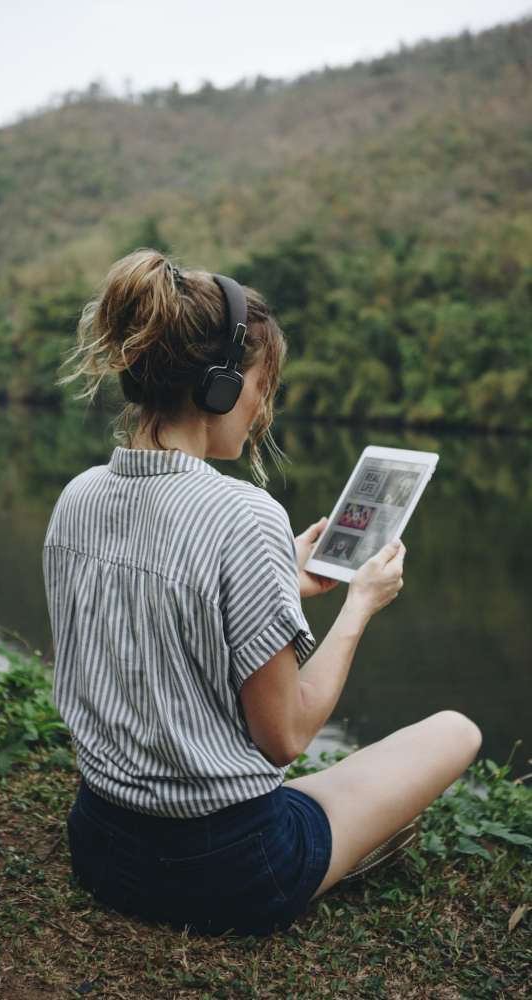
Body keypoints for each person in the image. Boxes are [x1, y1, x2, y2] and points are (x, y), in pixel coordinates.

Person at [42, 248, 482, 937]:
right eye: (258, 384)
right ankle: (351, 854)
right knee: (458, 731)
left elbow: (157, 621)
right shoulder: (245, 516)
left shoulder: (78, 498)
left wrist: (278, 582)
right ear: (219, 385)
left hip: (98, 845)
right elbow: (286, 737)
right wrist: (359, 605)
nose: (261, 406)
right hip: (229, 872)